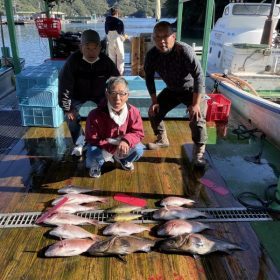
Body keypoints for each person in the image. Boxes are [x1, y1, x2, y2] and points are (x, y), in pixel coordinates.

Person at [144, 21, 208, 166]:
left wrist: (196, 104)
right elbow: (148, 78)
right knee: (154, 112)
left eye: (165, 36)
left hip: (191, 90)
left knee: (197, 118)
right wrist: (154, 102)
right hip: (172, 89)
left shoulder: (184, 50)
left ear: (173, 36)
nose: (161, 41)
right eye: (157, 37)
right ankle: (162, 140)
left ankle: (199, 152)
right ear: (153, 39)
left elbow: (199, 76)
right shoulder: (152, 55)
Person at [58, 29, 120, 156]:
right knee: (70, 117)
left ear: (100, 48)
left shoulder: (105, 61)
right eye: (87, 48)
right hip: (77, 95)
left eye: (95, 48)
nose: (91, 52)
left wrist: (116, 100)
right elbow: (65, 86)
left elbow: (117, 81)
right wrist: (67, 108)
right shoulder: (72, 61)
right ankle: (79, 142)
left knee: (111, 113)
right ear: (80, 47)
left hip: (99, 94)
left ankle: (104, 139)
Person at [85, 76, 145, 178]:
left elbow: (138, 133)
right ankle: (96, 165)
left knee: (139, 149)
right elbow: (92, 138)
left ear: (127, 95)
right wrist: (112, 149)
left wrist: (126, 141)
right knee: (92, 153)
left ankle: (124, 160)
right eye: (113, 93)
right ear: (107, 94)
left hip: (122, 145)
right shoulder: (94, 114)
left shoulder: (134, 111)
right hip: (103, 146)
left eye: (122, 93)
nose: (117, 98)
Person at [105, 7, 126, 75]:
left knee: (111, 58)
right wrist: (125, 37)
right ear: (117, 13)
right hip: (118, 40)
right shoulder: (119, 22)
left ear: (111, 13)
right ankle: (120, 74)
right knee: (120, 57)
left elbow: (106, 32)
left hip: (110, 40)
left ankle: (112, 74)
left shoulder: (106, 22)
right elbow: (121, 34)